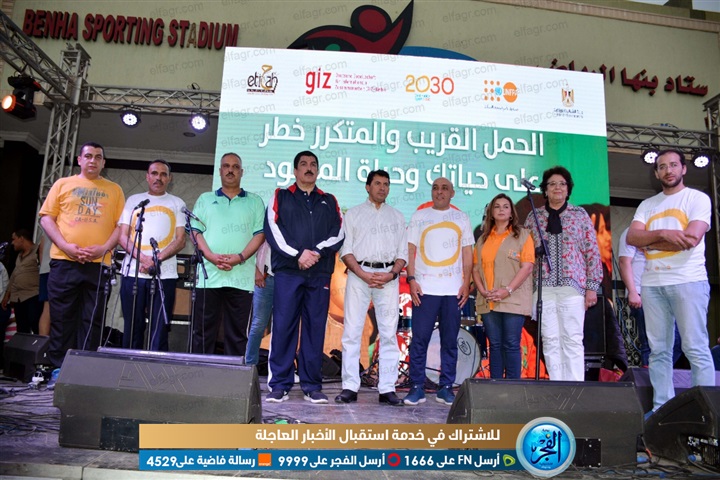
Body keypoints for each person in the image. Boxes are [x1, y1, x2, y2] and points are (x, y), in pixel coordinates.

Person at [627, 149, 715, 416]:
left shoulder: (697, 198)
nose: (669, 170)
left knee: (695, 347)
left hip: (688, 281)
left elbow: (691, 239)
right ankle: (661, 411)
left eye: (674, 165)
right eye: (662, 166)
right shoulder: (647, 205)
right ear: (656, 173)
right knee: (659, 352)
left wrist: (650, 240)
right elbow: (632, 238)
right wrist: (665, 233)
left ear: (683, 169)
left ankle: (704, 413)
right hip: (652, 284)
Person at [264, 150, 344, 404]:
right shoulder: (281, 196)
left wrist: (316, 252)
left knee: (314, 329)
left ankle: (312, 385)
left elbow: (339, 232)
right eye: (303, 164)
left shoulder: (329, 200)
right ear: (295, 170)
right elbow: (273, 230)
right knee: (283, 327)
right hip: (289, 272)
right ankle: (279, 384)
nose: (309, 168)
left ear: (317, 170)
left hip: (319, 273)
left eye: (313, 165)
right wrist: (298, 254)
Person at [39, 141, 125, 378]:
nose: (92, 160)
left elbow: (121, 226)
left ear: (103, 163)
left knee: (93, 319)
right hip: (64, 262)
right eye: (88, 156)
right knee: (62, 317)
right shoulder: (62, 184)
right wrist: (66, 246)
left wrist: (104, 248)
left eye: (98, 157)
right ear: (79, 160)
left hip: (99, 264)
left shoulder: (115, 189)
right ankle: (59, 369)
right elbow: (46, 219)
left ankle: (85, 372)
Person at [523, 166, 602, 382]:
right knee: (550, 340)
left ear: (568, 189)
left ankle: (575, 387)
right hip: (543, 289)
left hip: (572, 288)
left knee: (572, 338)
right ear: (545, 190)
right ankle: (557, 386)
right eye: (552, 184)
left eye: (562, 184)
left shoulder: (579, 215)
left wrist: (592, 287)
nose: (557, 187)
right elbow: (526, 254)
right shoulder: (534, 217)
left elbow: (592, 251)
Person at [336, 170, 407, 406]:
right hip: (359, 276)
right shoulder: (353, 214)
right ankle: (349, 386)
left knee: (388, 333)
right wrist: (363, 274)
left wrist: (391, 274)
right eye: (377, 183)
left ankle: (387, 388)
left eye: (386, 184)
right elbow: (346, 250)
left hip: (388, 278)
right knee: (352, 331)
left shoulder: (397, 217)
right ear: (367, 187)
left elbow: (402, 254)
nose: (382, 188)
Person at [404, 177, 474, 405]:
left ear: (452, 193)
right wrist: (412, 279)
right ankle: (416, 387)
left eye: (445, 188)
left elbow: (467, 253)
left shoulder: (461, 218)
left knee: (450, 341)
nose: (439, 192)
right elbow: (410, 250)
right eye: (435, 188)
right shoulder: (419, 216)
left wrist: (466, 283)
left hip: (453, 290)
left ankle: (446, 387)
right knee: (420, 340)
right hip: (425, 289)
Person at [190, 152, 265, 357]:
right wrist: (210, 256)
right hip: (209, 277)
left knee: (237, 335)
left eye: (235, 167)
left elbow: (260, 234)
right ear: (220, 170)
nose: (230, 170)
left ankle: (233, 376)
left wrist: (239, 257)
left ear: (242, 172)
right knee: (203, 333)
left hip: (241, 279)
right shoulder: (205, 199)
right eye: (226, 166)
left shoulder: (255, 201)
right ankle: (200, 374)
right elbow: (195, 232)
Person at [118, 159, 186, 351]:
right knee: (133, 326)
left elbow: (181, 240)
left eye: (163, 174)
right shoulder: (134, 201)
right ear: (147, 177)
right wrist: (144, 259)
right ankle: (128, 364)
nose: (159, 178)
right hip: (133, 273)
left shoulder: (177, 203)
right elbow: (122, 237)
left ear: (170, 179)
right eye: (154, 173)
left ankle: (155, 367)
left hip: (165, 275)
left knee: (160, 328)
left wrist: (155, 260)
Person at [472, 193, 534, 379]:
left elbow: (527, 267)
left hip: (513, 299)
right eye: (497, 206)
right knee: (495, 345)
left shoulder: (523, 235)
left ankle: (513, 387)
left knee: (511, 343)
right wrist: (483, 291)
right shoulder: (483, 239)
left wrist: (507, 290)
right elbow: (475, 269)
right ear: (491, 212)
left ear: (511, 212)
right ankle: (496, 386)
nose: (501, 210)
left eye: (505, 206)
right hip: (488, 300)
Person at [2, 229, 41, 334]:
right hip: (18, 297)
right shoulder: (19, 256)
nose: (12, 243)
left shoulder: (37, 251)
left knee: (35, 323)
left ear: (21, 238)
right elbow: (14, 275)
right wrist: (7, 295)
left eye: (14, 239)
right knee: (22, 328)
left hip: (32, 295)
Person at [245, 240, 274, 366]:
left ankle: (278, 367)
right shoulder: (262, 229)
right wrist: (256, 271)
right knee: (258, 324)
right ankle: (250, 365)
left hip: (286, 279)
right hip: (265, 278)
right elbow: (247, 251)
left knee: (282, 325)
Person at [37, 230, 52, 336]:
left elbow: (41, 249)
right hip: (59, 268)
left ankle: (42, 343)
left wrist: (44, 266)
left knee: (47, 309)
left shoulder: (46, 225)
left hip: (46, 269)